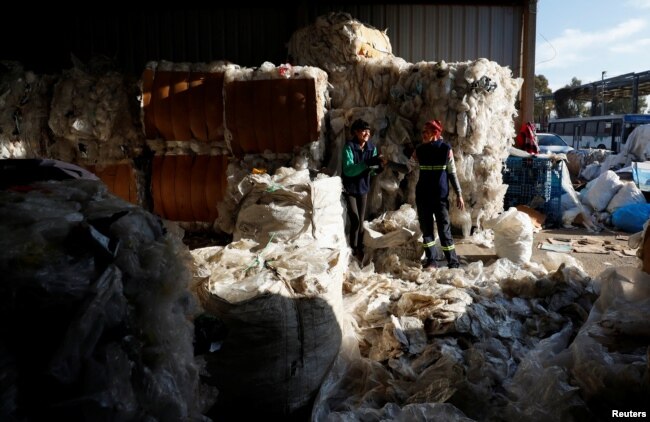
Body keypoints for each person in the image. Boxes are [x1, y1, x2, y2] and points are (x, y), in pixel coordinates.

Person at [411, 119, 464, 269]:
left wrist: (459, 193)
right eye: (422, 132)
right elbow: (408, 168)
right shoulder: (419, 150)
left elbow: (452, 173)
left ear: (435, 133)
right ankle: (431, 260)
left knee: (444, 230)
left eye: (426, 132)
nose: (423, 134)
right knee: (427, 230)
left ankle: (453, 262)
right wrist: (389, 164)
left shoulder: (446, 149)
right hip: (423, 196)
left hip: (440, 198)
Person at [341, 118, 385, 260]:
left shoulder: (371, 148)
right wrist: (366, 163)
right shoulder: (349, 147)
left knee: (361, 221)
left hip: (363, 187)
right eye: (363, 130)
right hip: (350, 188)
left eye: (368, 130)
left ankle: (359, 247)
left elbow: (371, 170)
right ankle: (353, 248)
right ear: (355, 132)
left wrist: (377, 169)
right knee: (355, 219)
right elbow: (348, 170)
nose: (366, 133)